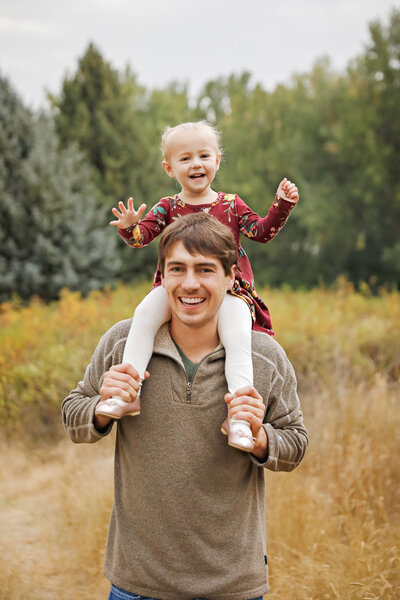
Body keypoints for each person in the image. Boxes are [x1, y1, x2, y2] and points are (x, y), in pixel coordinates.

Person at [62, 212, 308, 600]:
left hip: (233, 585)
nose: (190, 283)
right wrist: (99, 411)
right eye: (177, 268)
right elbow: (72, 416)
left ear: (230, 278)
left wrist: (261, 438)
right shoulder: (123, 343)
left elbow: (295, 444)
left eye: (205, 269)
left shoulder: (264, 357)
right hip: (138, 583)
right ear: (162, 275)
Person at [95, 121, 299, 452]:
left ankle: (241, 420)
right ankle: (125, 392)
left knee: (236, 337)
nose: (196, 164)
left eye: (203, 155)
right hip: (172, 286)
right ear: (169, 167)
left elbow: (261, 231)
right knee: (144, 314)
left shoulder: (231, 204)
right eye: (185, 158)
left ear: (217, 160)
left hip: (228, 291)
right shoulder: (168, 206)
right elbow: (140, 239)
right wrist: (129, 227)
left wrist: (281, 206)